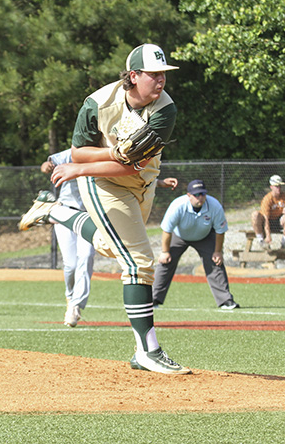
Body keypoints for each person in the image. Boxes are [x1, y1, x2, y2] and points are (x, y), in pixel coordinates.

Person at [19, 43, 190, 374]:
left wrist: (110, 156)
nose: (160, 81)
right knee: (139, 261)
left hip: (142, 182)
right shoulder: (97, 103)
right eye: (153, 74)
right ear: (133, 76)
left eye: (163, 74)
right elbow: (79, 154)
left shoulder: (165, 110)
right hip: (102, 184)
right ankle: (147, 350)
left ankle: (56, 213)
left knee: (112, 248)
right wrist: (98, 162)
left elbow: (133, 166)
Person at [152, 179, 238, 310]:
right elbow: (167, 230)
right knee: (165, 262)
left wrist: (218, 251)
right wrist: (165, 252)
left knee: (216, 262)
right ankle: (153, 300)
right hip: (179, 235)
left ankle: (226, 301)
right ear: (189, 195)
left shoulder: (214, 206)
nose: (200, 197)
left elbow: (220, 231)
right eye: (196, 195)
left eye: (202, 194)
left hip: (205, 236)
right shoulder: (178, 205)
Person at [40, 150, 96, 328]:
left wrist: (158, 182)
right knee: (70, 264)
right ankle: (70, 296)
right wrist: (47, 166)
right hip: (65, 213)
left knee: (86, 256)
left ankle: (76, 306)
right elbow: (46, 165)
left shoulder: (102, 153)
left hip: (89, 216)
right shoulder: (73, 152)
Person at [251, 175, 285, 250]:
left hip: (278, 220)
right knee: (255, 214)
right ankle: (261, 241)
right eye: (276, 186)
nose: (279, 188)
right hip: (268, 221)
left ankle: (284, 243)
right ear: (271, 187)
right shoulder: (267, 199)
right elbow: (266, 219)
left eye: (280, 186)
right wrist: (268, 235)